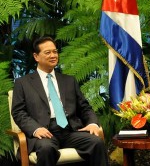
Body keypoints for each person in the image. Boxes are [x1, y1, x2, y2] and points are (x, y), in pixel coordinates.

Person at [11, 36, 109, 166]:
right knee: (46, 149)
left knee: (96, 142)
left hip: (70, 130)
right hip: (45, 133)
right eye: (48, 52)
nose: (53, 55)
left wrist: (93, 123)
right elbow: (18, 112)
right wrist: (35, 129)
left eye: (55, 51)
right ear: (36, 56)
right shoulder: (23, 83)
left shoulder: (69, 81)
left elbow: (85, 107)